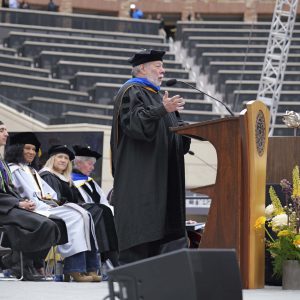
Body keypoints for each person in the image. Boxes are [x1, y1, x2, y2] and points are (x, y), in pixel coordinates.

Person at [110, 49, 191, 264]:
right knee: (143, 221)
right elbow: (136, 125)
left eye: (162, 66)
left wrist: (187, 131)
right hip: (141, 174)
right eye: (158, 66)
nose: (163, 70)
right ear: (142, 69)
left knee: (161, 224)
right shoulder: (131, 90)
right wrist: (162, 110)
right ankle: (134, 274)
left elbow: (170, 130)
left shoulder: (157, 96)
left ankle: (158, 270)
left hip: (162, 172)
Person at [5, 133, 101, 282]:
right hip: (30, 209)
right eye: (27, 148)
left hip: (44, 206)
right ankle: (75, 268)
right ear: (17, 149)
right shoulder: (12, 170)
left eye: (34, 149)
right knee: (78, 214)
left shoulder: (32, 171)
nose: (31, 152)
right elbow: (14, 193)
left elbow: (49, 194)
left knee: (84, 214)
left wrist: (53, 201)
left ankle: (89, 267)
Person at [0, 122, 63, 280]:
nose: (6, 134)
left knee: (54, 223)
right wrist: (17, 203)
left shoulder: (1, 163)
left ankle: (21, 261)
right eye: (1, 130)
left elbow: (8, 189)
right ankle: (20, 262)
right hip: (4, 208)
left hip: (10, 206)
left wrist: (22, 201)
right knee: (45, 224)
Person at [40, 144, 119, 268]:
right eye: (60, 157)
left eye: (66, 158)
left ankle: (107, 259)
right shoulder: (47, 175)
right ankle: (106, 260)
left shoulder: (66, 179)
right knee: (99, 211)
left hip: (72, 210)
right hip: (59, 212)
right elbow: (54, 200)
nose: (63, 160)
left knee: (104, 211)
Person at [71, 145, 119, 266]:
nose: (92, 168)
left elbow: (103, 202)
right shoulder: (70, 180)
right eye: (90, 164)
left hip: (98, 215)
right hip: (84, 217)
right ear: (78, 163)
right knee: (103, 214)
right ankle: (111, 260)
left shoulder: (90, 182)